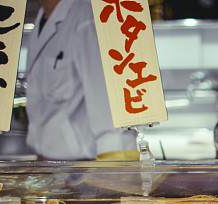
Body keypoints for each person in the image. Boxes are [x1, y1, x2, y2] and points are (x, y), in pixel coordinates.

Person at [25, 0, 136, 160]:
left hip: (87, 165)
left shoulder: (88, 18)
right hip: (50, 164)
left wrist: (116, 169)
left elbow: (111, 118)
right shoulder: (42, 19)